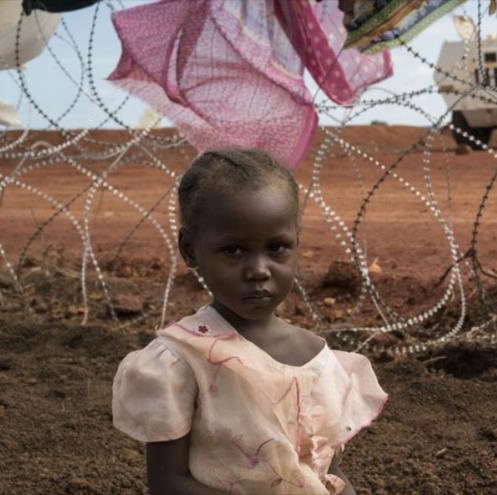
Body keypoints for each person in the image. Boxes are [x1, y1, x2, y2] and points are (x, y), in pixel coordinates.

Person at [112, 149, 387, 494]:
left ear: (297, 243)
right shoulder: (182, 360)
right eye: (234, 250)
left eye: (277, 248)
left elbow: (324, 468)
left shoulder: (317, 359)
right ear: (190, 250)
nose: (259, 270)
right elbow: (167, 483)